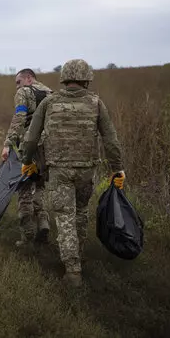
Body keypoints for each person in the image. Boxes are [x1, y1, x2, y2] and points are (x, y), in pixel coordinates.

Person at [19, 59, 125, 287]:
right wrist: (118, 169)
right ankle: (79, 256)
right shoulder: (97, 103)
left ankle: (73, 270)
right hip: (87, 170)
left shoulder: (48, 103)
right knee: (81, 212)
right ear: (87, 79)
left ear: (64, 78)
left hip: (59, 170)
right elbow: (111, 140)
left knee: (65, 216)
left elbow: (30, 139)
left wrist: (27, 162)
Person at [1, 68, 53, 247]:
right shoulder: (50, 93)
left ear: (29, 79)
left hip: (30, 148)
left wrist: (8, 144)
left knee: (23, 188)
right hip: (49, 149)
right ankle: (44, 224)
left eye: (18, 82)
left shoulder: (24, 93)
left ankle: (27, 235)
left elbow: (19, 117)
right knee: (39, 187)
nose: (17, 87)